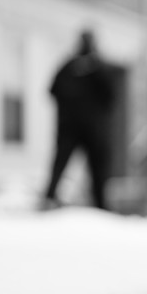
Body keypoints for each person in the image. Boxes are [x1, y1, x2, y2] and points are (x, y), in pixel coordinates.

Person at [41, 29, 116, 211]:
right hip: (71, 128)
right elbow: (52, 90)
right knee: (60, 164)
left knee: (97, 169)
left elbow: (109, 97)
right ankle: (49, 198)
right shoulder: (68, 67)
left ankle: (101, 207)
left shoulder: (99, 69)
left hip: (92, 130)